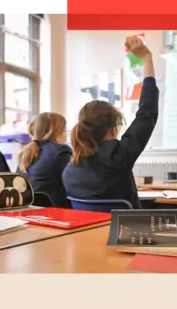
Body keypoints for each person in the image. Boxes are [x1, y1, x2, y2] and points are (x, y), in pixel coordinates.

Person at [62, 36, 158, 209]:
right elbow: (147, 112)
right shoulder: (120, 156)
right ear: (114, 129)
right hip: (126, 235)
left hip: (86, 236)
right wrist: (147, 58)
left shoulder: (69, 170)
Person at [17, 112, 72, 208]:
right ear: (58, 132)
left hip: (28, 209)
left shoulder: (25, 152)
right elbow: (72, 183)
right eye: (65, 130)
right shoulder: (61, 151)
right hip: (56, 211)